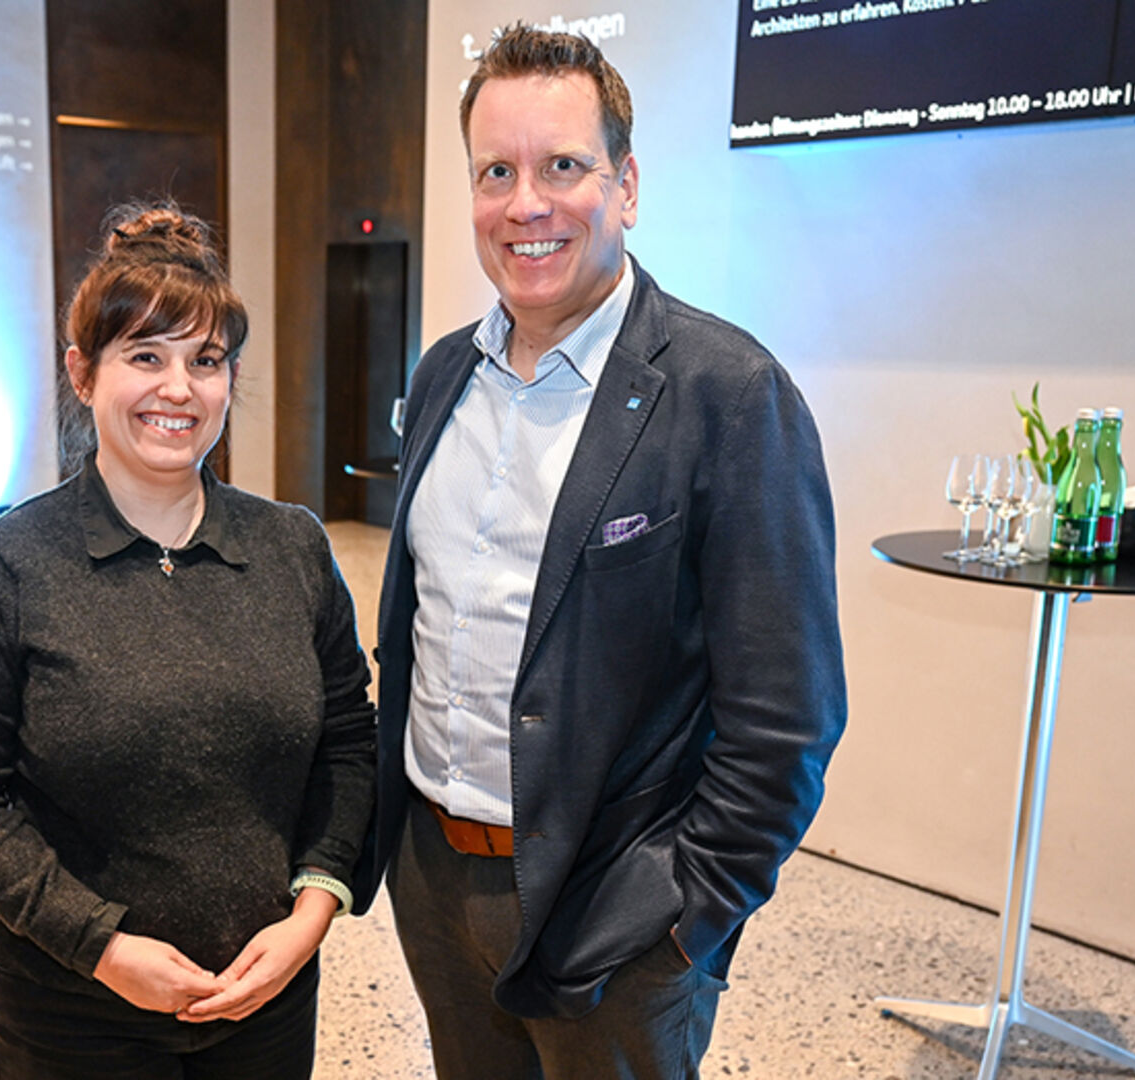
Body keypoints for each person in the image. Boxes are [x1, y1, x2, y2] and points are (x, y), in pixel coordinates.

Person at [352, 26, 846, 1080]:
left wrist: (683, 917)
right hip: (435, 882)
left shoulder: (727, 394)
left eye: (561, 167)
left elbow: (787, 715)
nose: (524, 203)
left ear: (624, 185)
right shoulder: (443, 376)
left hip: (615, 908)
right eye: (496, 172)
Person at [0, 201, 375, 1080]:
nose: (178, 389)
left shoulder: (292, 548)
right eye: (145, 357)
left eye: (205, 361)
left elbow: (349, 744)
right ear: (83, 373)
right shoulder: (3, 568)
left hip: (264, 999)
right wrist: (102, 946)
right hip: (73, 1011)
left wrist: (312, 909)